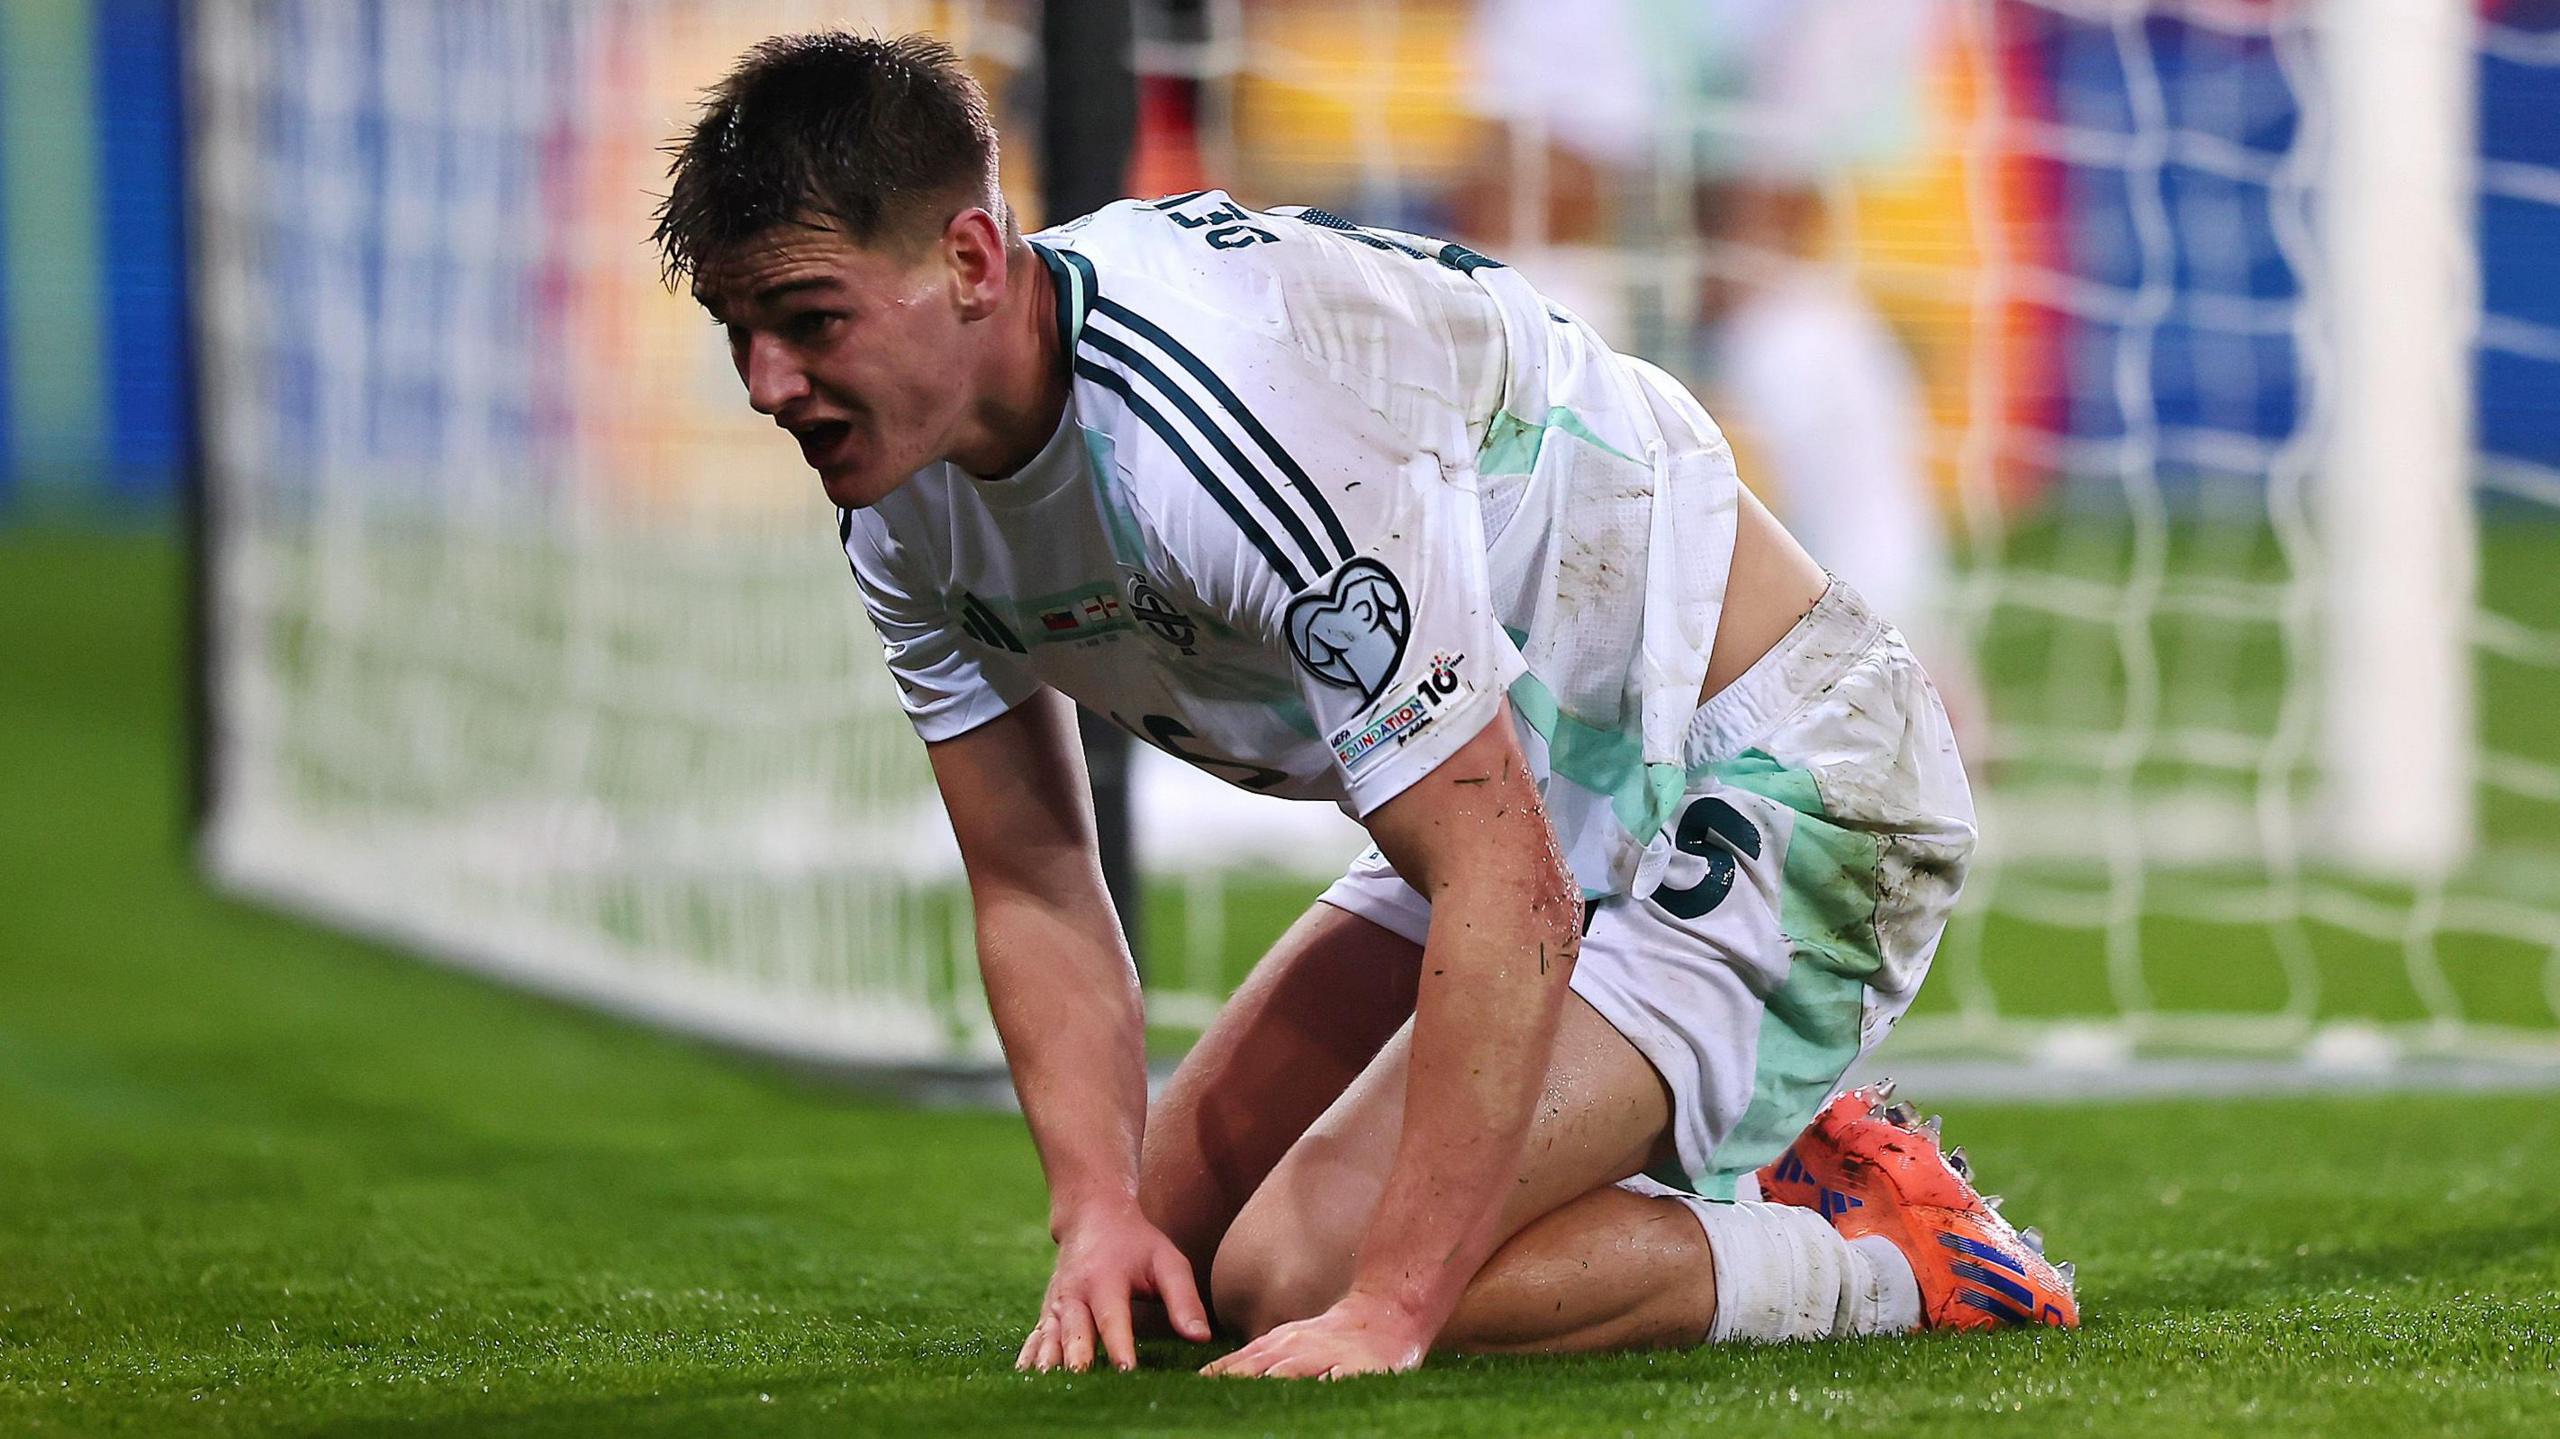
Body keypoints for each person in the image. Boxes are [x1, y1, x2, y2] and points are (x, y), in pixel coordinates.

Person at [653, 32, 2076, 1380]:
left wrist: (1393, 1306)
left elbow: (1502, 886)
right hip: (1535, 772)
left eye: (808, 322)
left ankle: (1883, 1257)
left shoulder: (1235, 420)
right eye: (741, 333)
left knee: (1293, 1275)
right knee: (1173, 1249)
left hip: (1770, 782)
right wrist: (1095, 1213)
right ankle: (1655, 1136)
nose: (773, 385)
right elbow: (1032, 872)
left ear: (969, 259)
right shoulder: (903, 496)